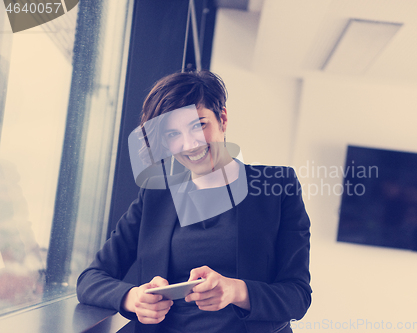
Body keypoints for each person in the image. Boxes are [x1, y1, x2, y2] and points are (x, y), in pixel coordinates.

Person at [76, 70, 312, 333]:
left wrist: (236, 291)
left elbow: (298, 296)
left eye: (199, 125)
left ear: (222, 118)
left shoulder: (277, 186)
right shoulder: (156, 194)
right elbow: (91, 279)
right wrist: (133, 298)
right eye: (173, 134)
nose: (189, 144)